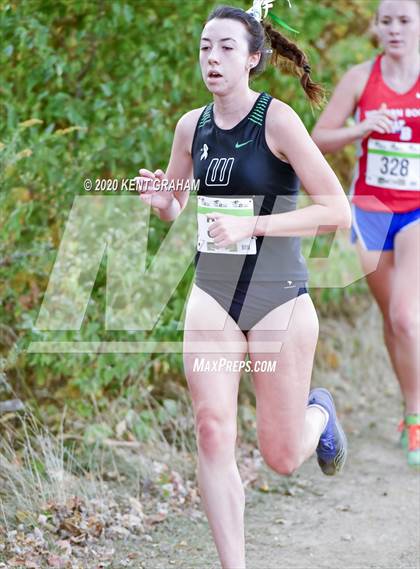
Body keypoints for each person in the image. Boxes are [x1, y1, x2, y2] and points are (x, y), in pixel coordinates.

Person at [137, 3, 351, 567]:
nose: (212, 58)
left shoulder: (277, 121)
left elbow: (337, 211)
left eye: (226, 48)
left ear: (254, 59)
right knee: (211, 429)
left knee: (281, 456)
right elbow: (176, 203)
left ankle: (320, 413)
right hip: (213, 291)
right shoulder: (192, 126)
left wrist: (254, 223)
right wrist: (161, 199)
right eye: (205, 47)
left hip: (278, 295)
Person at [312, 0, 419, 467]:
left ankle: (415, 419)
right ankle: (409, 402)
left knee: (404, 317)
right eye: (386, 21)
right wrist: (361, 129)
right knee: (391, 320)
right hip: (370, 212)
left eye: (405, 20)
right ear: (375, 26)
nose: (394, 29)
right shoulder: (361, 77)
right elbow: (317, 137)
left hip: (416, 211)